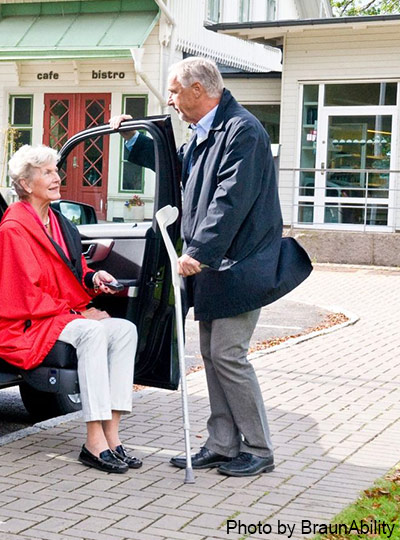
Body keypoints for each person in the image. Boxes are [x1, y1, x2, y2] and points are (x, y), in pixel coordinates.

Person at [112, 57, 311, 477]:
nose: (170, 100)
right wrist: (134, 139)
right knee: (211, 353)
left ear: (197, 90)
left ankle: (258, 448)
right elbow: (177, 165)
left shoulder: (242, 132)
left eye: (173, 91)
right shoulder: (206, 133)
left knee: (228, 354)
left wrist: (197, 251)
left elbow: (230, 200)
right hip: (214, 267)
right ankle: (222, 444)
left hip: (240, 265)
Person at [0, 144, 141, 474]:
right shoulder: (13, 230)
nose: (57, 177)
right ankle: (93, 442)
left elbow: (73, 270)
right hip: (26, 321)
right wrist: (78, 314)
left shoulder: (59, 223)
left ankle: (113, 436)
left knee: (125, 330)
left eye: (56, 170)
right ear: (25, 184)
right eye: (48, 172)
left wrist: (95, 276)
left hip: (59, 313)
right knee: (92, 331)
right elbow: (21, 295)